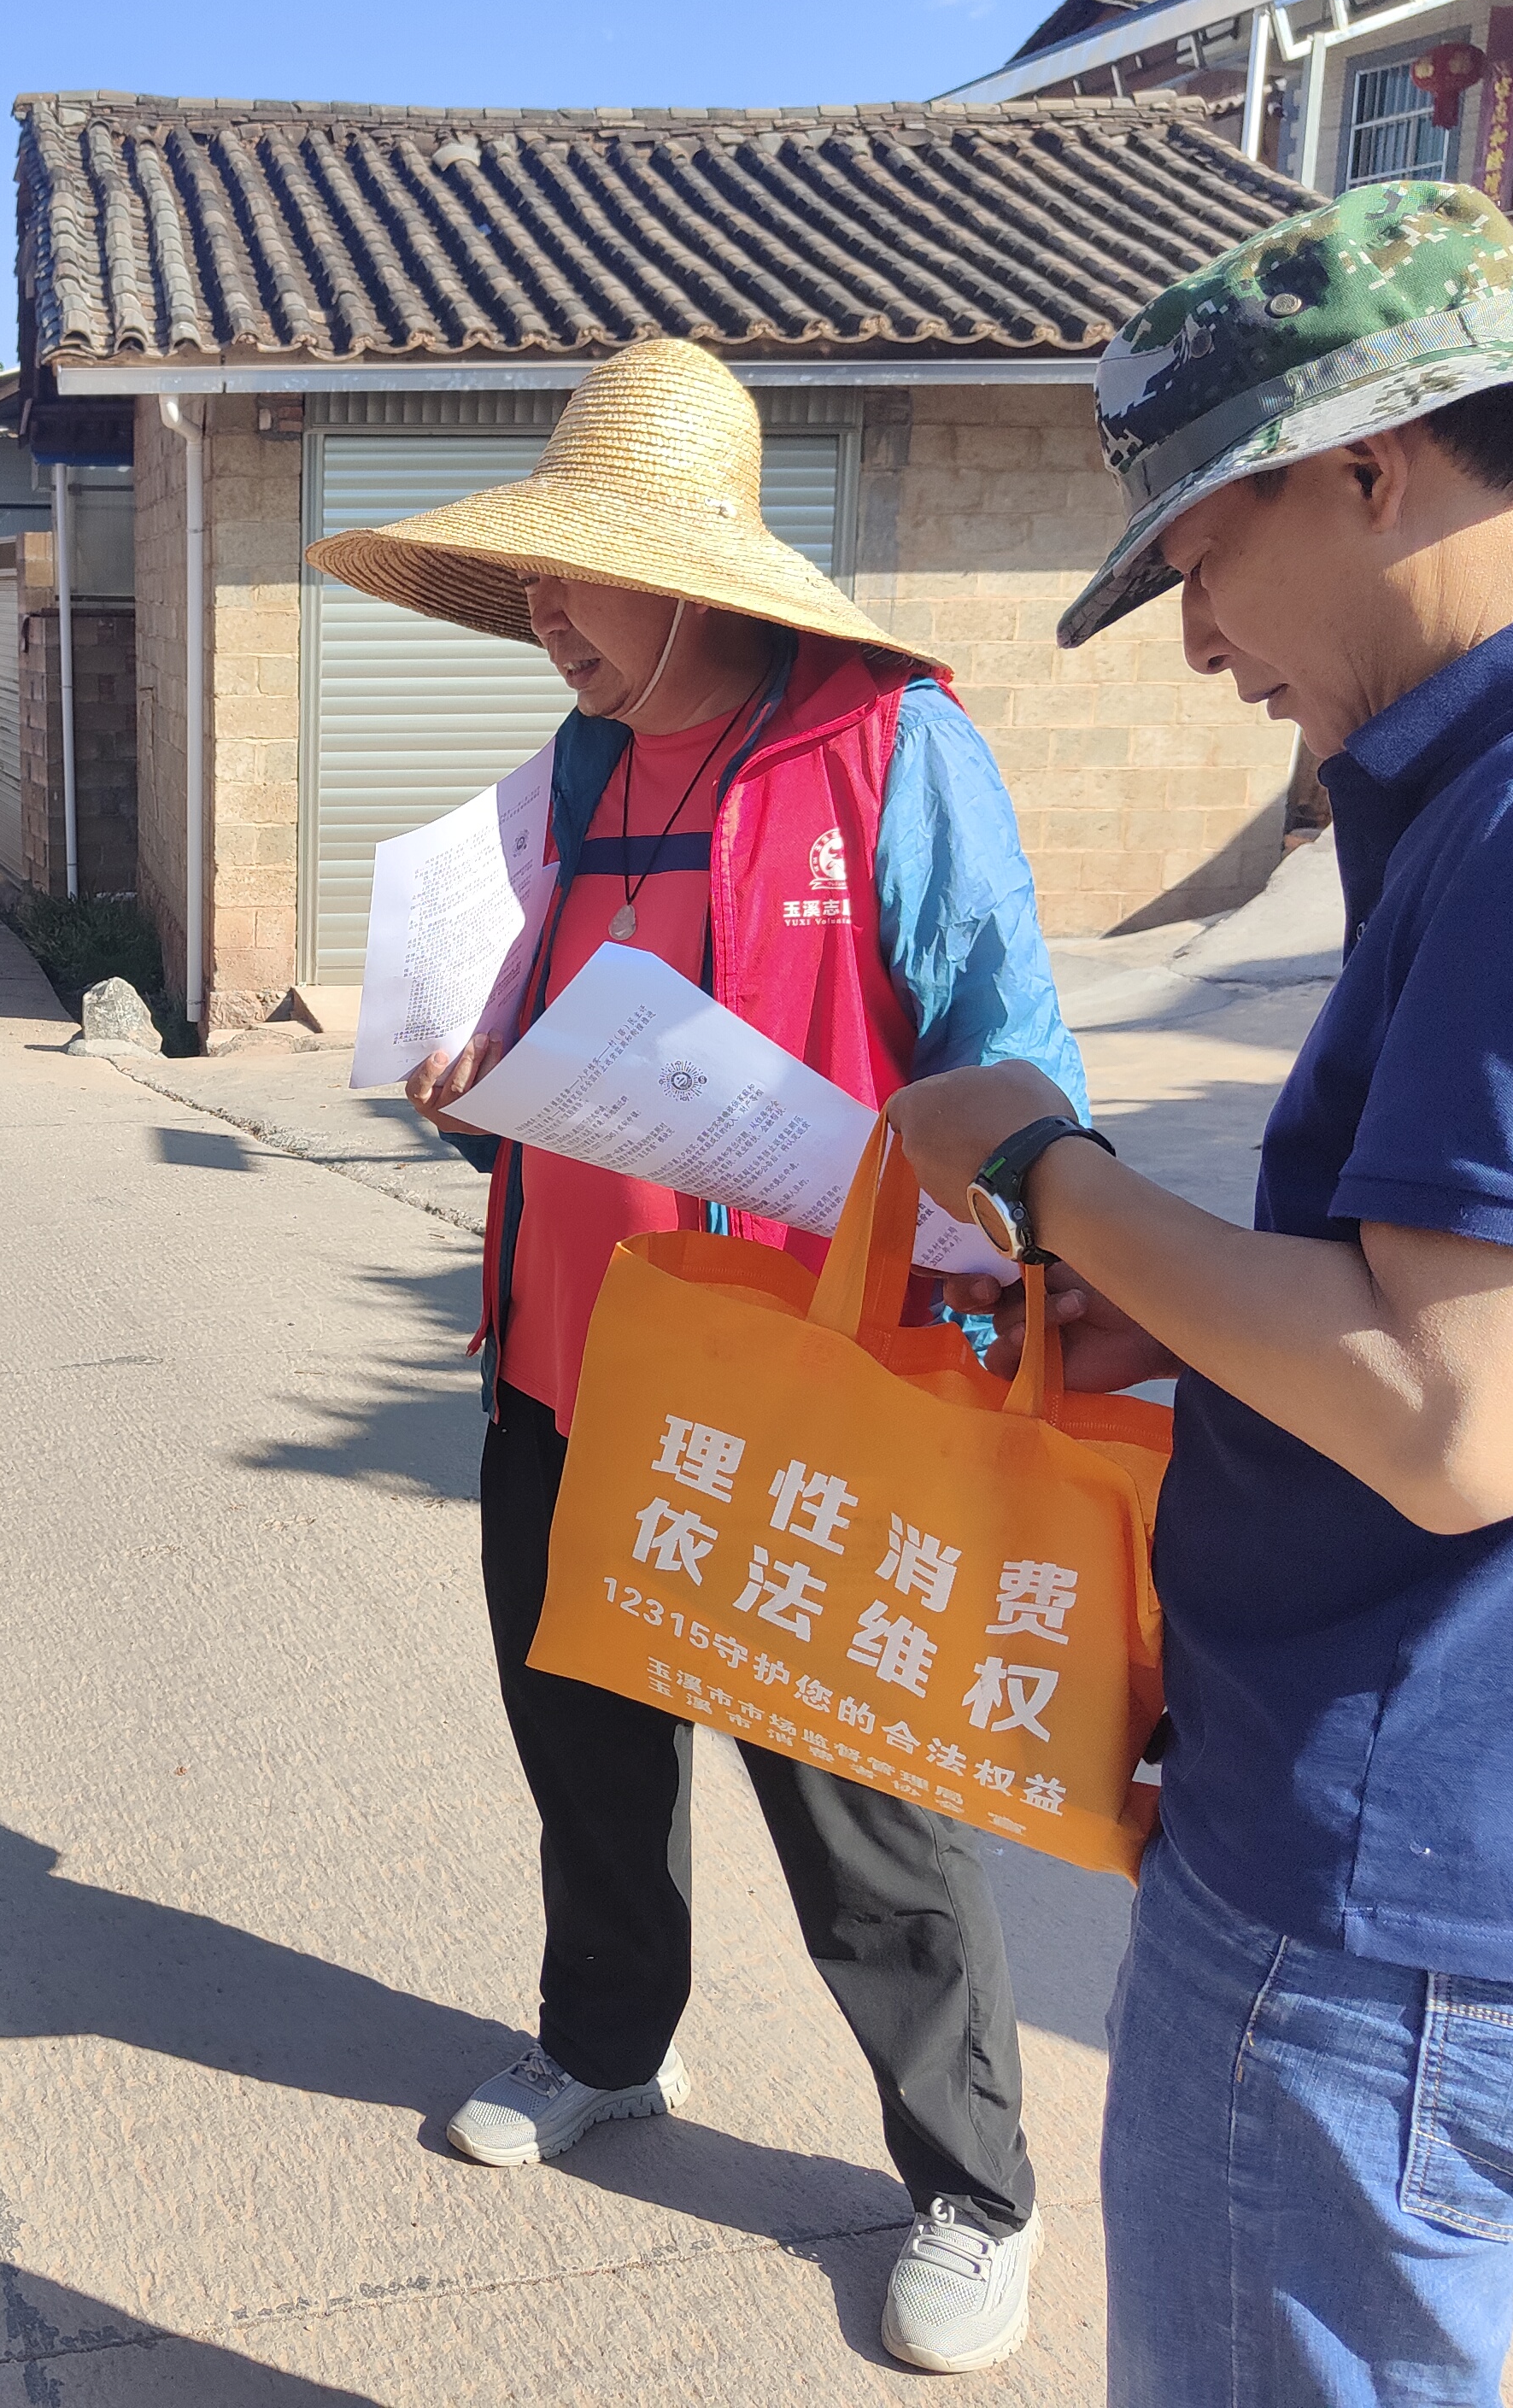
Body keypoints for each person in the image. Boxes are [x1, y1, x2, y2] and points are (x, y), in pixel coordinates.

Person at [884, 181, 1513, 2406]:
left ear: (1370, 465)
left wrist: (1047, 1172)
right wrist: (1204, 1312)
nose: (1194, 642)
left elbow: (1456, 1418)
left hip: (1419, 1897)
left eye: (1197, 557)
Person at [308, 337, 1085, 2376]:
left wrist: (1011, 1279)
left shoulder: (886, 749)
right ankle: (603, 2046)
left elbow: (1010, 1061)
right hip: (564, 1367)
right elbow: (543, 1067)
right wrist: (467, 1089)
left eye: (572, 573)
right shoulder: (569, 780)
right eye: (530, 575)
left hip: (797, 1388)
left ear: (689, 573)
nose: (539, 612)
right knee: (580, 1750)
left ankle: (973, 2188)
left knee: (856, 1810)